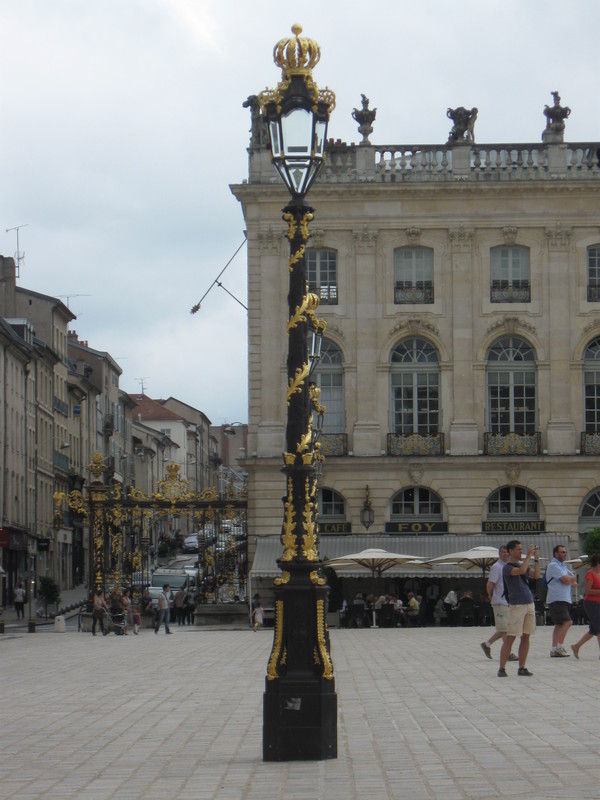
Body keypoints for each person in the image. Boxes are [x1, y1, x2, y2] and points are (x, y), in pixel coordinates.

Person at [498, 540, 540, 677]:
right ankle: (502, 668)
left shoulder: (523, 565)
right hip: (517, 605)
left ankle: (522, 667)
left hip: (529, 603)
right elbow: (521, 571)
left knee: (526, 636)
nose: (521, 551)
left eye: (522, 549)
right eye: (518, 549)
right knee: (511, 636)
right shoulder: (507, 567)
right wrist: (529, 556)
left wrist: (536, 559)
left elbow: (536, 575)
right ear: (510, 551)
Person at [481, 545, 518, 662]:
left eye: (507, 552)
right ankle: (508, 653)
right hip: (499, 601)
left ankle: (487, 644)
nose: (505, 554)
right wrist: (491, 596)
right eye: (503, 552)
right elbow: (490, 583)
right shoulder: (497, 567)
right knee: (505, 628)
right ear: (499, 554)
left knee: (503, 628)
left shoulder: (507, 566)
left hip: (507, 601)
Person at [546, 544, 577, 657]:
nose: (564, 554)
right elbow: (566, 579)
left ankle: (554, 649)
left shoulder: (563, 567)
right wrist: (572, 578)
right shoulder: (554, 565)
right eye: (562, 552)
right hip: (557, 598)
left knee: (559, 624)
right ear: (556, 554)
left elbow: (573, 582)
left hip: (564, 598)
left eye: (565, 552)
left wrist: (571, 579)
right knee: (568, 622)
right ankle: (560, 646)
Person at [571, 553, 600, 659]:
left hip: (599, 603)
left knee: (594, 629)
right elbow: (587, 591)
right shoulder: (590, 574)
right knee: (599, 628)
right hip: (591, 603)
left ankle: (576, 646)